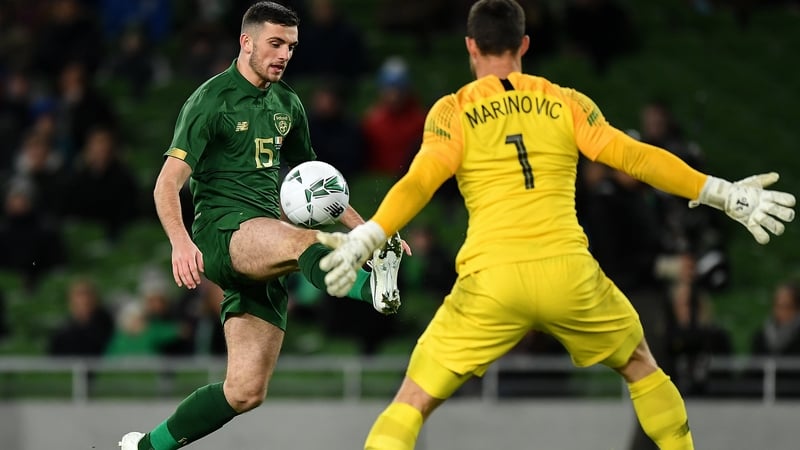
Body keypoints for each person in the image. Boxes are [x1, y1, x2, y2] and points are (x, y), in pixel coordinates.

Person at [315, 1, 796, 449]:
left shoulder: (453, 110)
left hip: (492, 280)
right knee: (642, 367)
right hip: (568, 273)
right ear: (524, 45)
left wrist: (370, 234)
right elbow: (633, 157)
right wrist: (720, 192)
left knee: (412, 400)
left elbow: (420, 180)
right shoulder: (565, 101)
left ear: (469, 46)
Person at [118, 3, 406, 449]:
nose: (284, 54)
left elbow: (316, 183)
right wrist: (180, 242)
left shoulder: (287, 102)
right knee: (306, 240)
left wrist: (367, 229)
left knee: (245, 392)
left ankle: (146, 446)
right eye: (275, 43)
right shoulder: (209, 100)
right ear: (245, 42)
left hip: (263, 247)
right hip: (222, 234)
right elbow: (166, 185)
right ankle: (371, 286)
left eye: (291, 46)